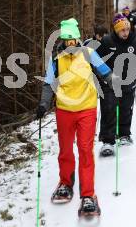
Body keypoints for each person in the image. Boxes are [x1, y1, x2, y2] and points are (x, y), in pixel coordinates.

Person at [36, 18, 115, 217]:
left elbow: (106, 73)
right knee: (65, 149)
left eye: (72, 40)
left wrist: (116, 84)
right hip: (64, 110)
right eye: (66, 40)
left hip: (86, 109)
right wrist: (44, 104)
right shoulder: (57, 59)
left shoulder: (89, 54)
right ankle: (65, 183)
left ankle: (88, 195)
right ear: (62, 40)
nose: (69, 43)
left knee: (85, 150)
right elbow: (48, 84)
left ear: (77, 39)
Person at [96, 14, 136, 156]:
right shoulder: (106, 41)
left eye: (127, 29)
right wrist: (103, 75)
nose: (125, 33)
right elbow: (97, 60)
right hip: (110, 81)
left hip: (128, 80)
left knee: (125, 108)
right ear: (116, 30)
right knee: (109, 108)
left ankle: (124, 134)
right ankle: (108, 141)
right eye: (122, 30)